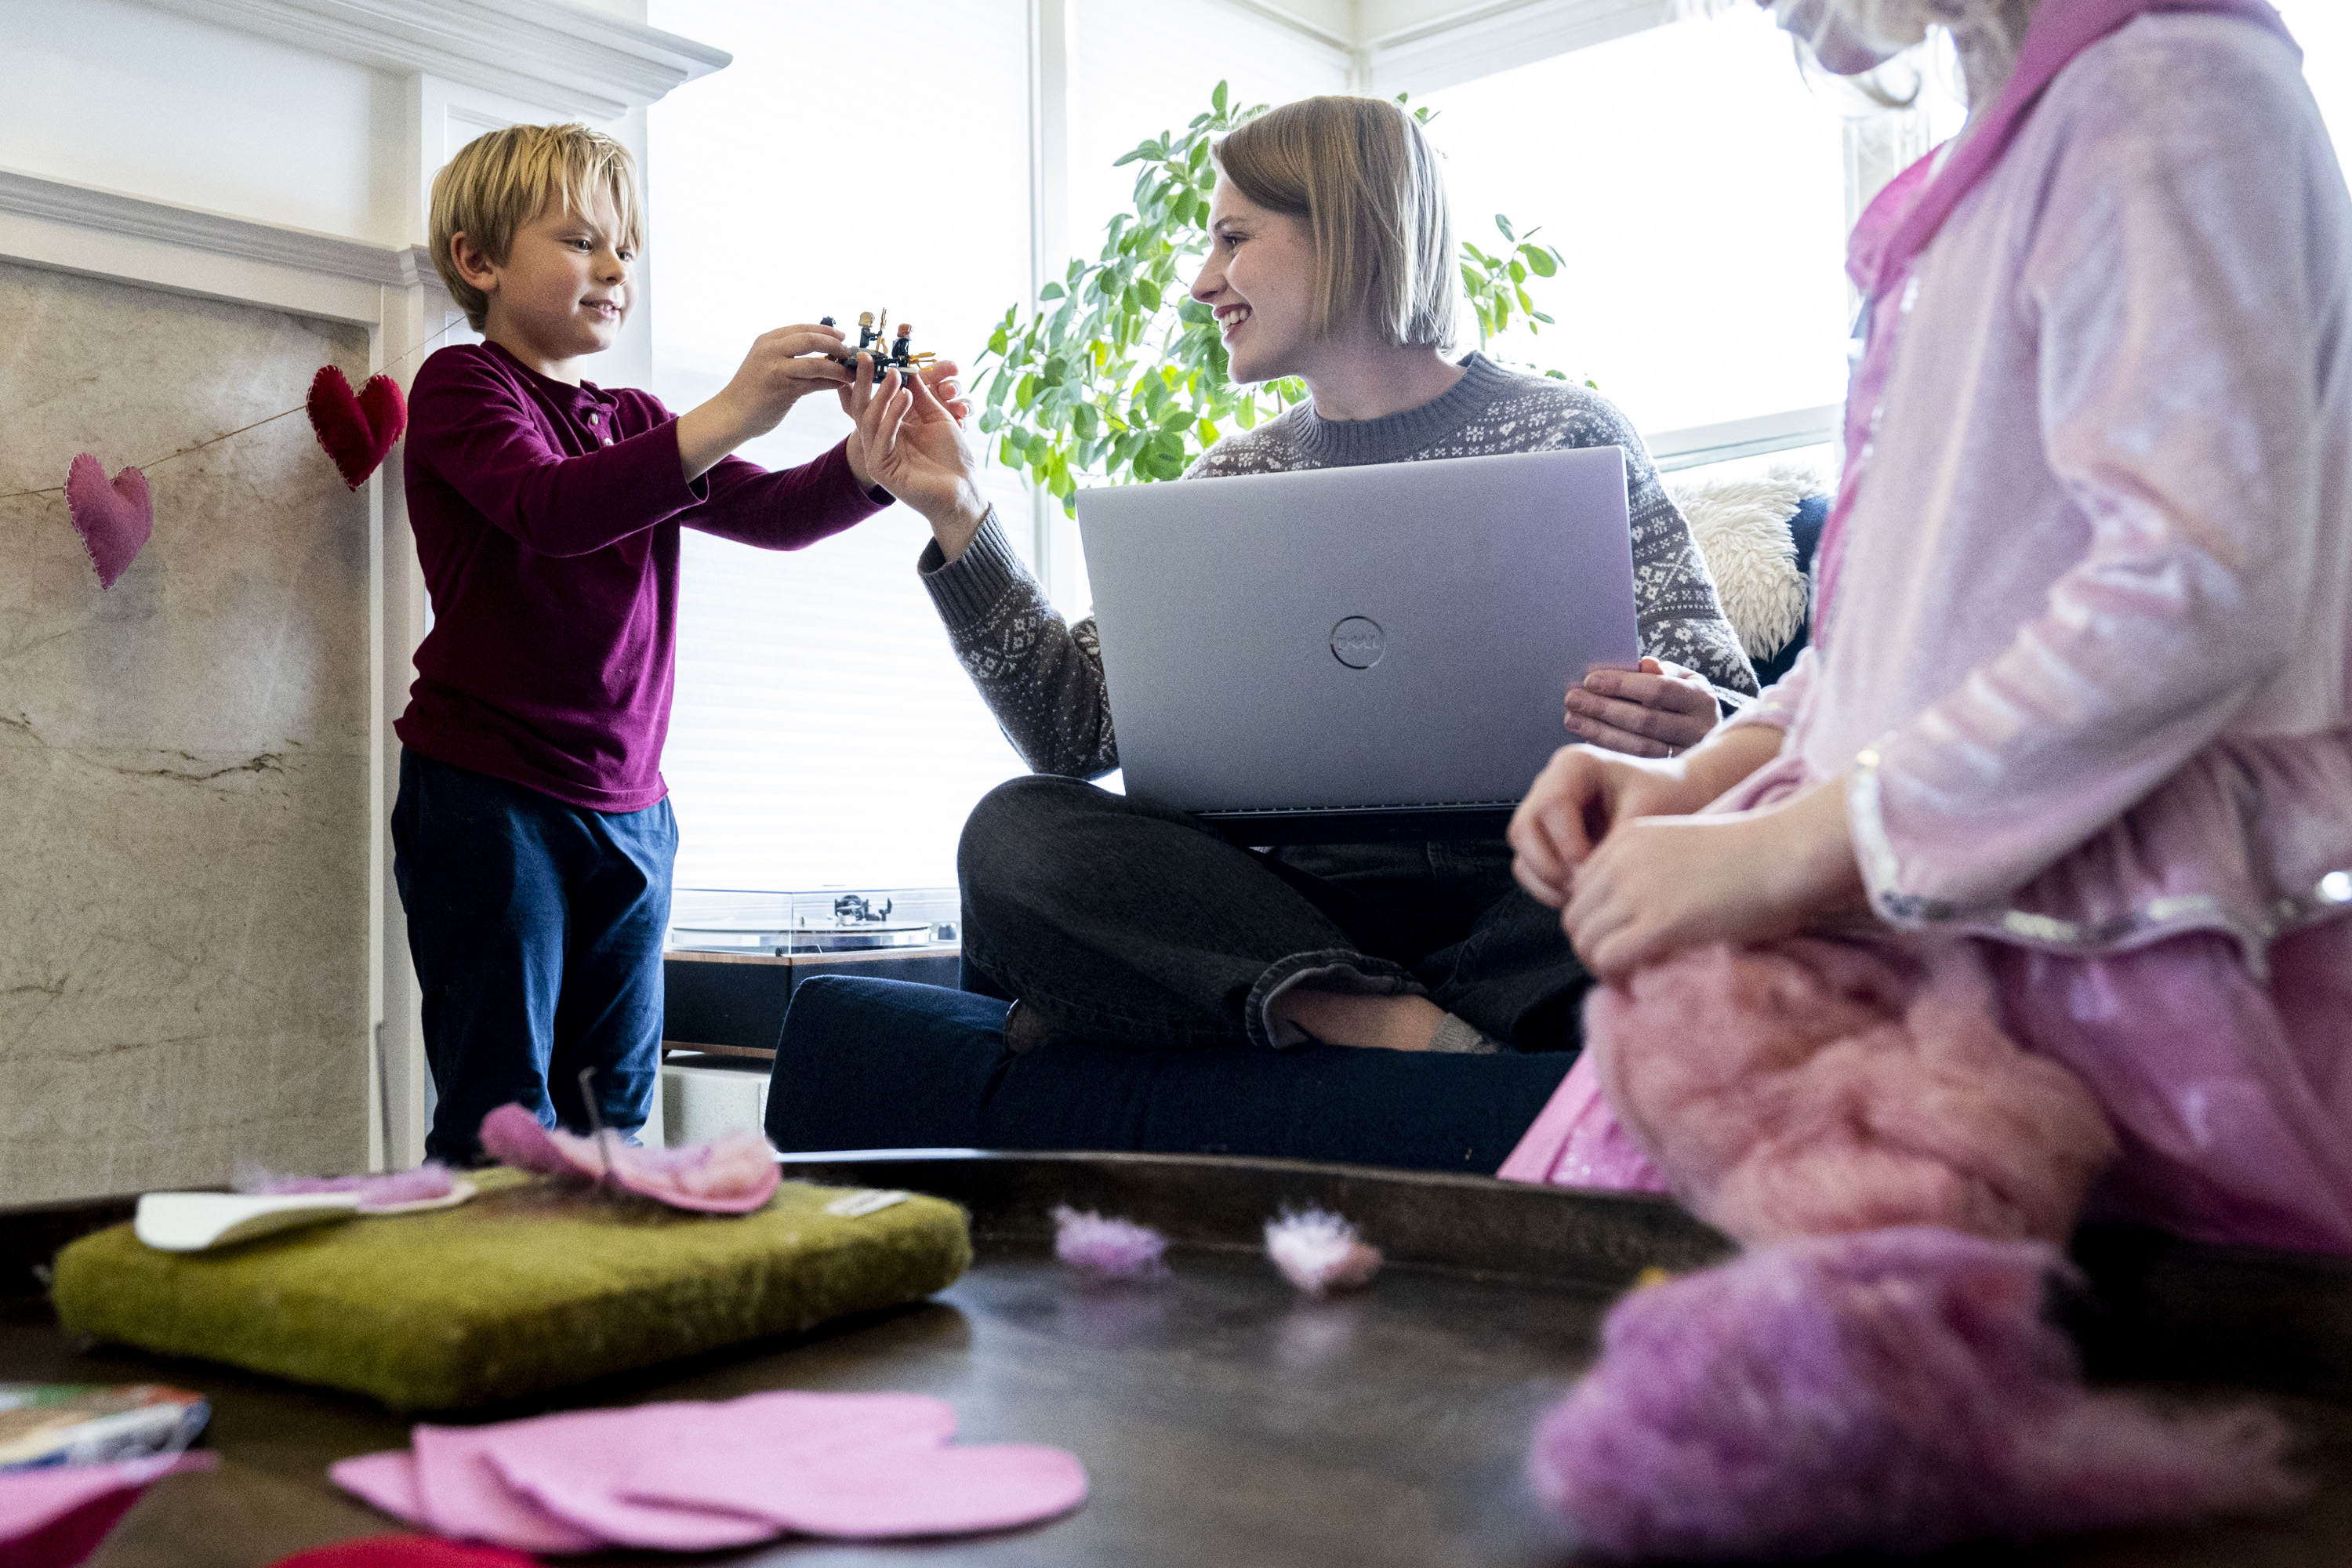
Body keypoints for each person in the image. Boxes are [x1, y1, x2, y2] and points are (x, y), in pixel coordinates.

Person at [1504, 0, 2352, 1253]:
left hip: (2080, 943)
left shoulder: (2166, 94)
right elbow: (1887, 638)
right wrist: (1697, 778)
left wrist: (1790, 851)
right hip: (1924, 900)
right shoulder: (2028, 145)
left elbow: (2196, 589)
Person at [920, 96, 1757, 1062]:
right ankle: (1384, 1019)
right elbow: (1073, 737)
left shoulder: (1570, 431)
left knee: (1687, 864)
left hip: (1530, 882)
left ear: (1351, 231)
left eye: (1233, 238)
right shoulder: (1230, 483)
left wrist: (1698, 720)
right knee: (1014, 836)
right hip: (1292, 898)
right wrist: (957, 511)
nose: (1202, 282)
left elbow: (1731, 712)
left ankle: (1270, 1003)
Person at [394, 122, 985, 1163]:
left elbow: (777, 516)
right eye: (583, 242)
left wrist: (874, 457)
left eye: (626, 249)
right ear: (478, 261)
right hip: (490, 801)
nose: (616, 270)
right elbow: (550, 508)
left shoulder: (632, 417)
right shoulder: (459, 387)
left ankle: (610, 1310)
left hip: (634, 813)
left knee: (614, 1113)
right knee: (502, 1117)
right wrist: (732, 412)